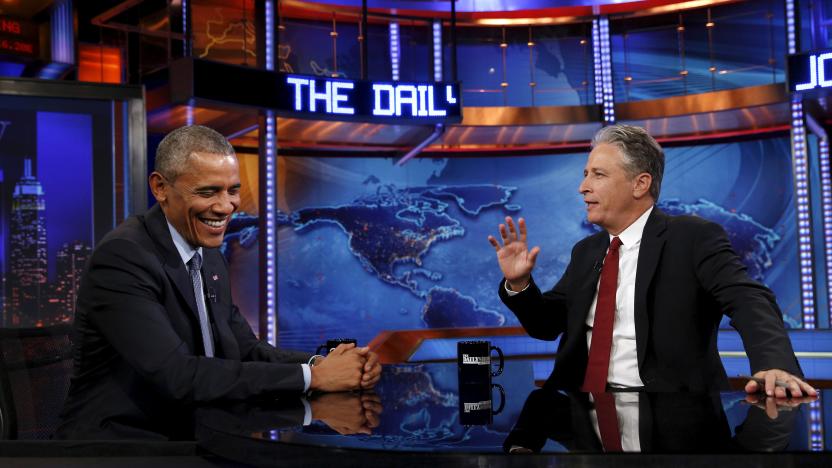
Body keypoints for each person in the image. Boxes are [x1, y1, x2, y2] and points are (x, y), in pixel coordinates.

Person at [57, 125, 381, 440]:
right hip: (126, 446)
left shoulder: (207, 251)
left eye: (233, 190)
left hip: (201, 430)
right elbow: (178, 376)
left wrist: (321, 365)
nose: (226, 206)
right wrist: (314, 378)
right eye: (208, 191)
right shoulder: (124, 257)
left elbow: (243, 348)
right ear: (160, 188)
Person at [488, 124, 815, 398]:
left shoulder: (693, 237)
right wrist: (519, 284)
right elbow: (547, 325)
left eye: (597, 175)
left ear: (640, 184)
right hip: (580, 415)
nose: (582, 187)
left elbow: (748, 299)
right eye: (585, 174)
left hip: (671, 414)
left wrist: (775, 363)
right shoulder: (586, 251)